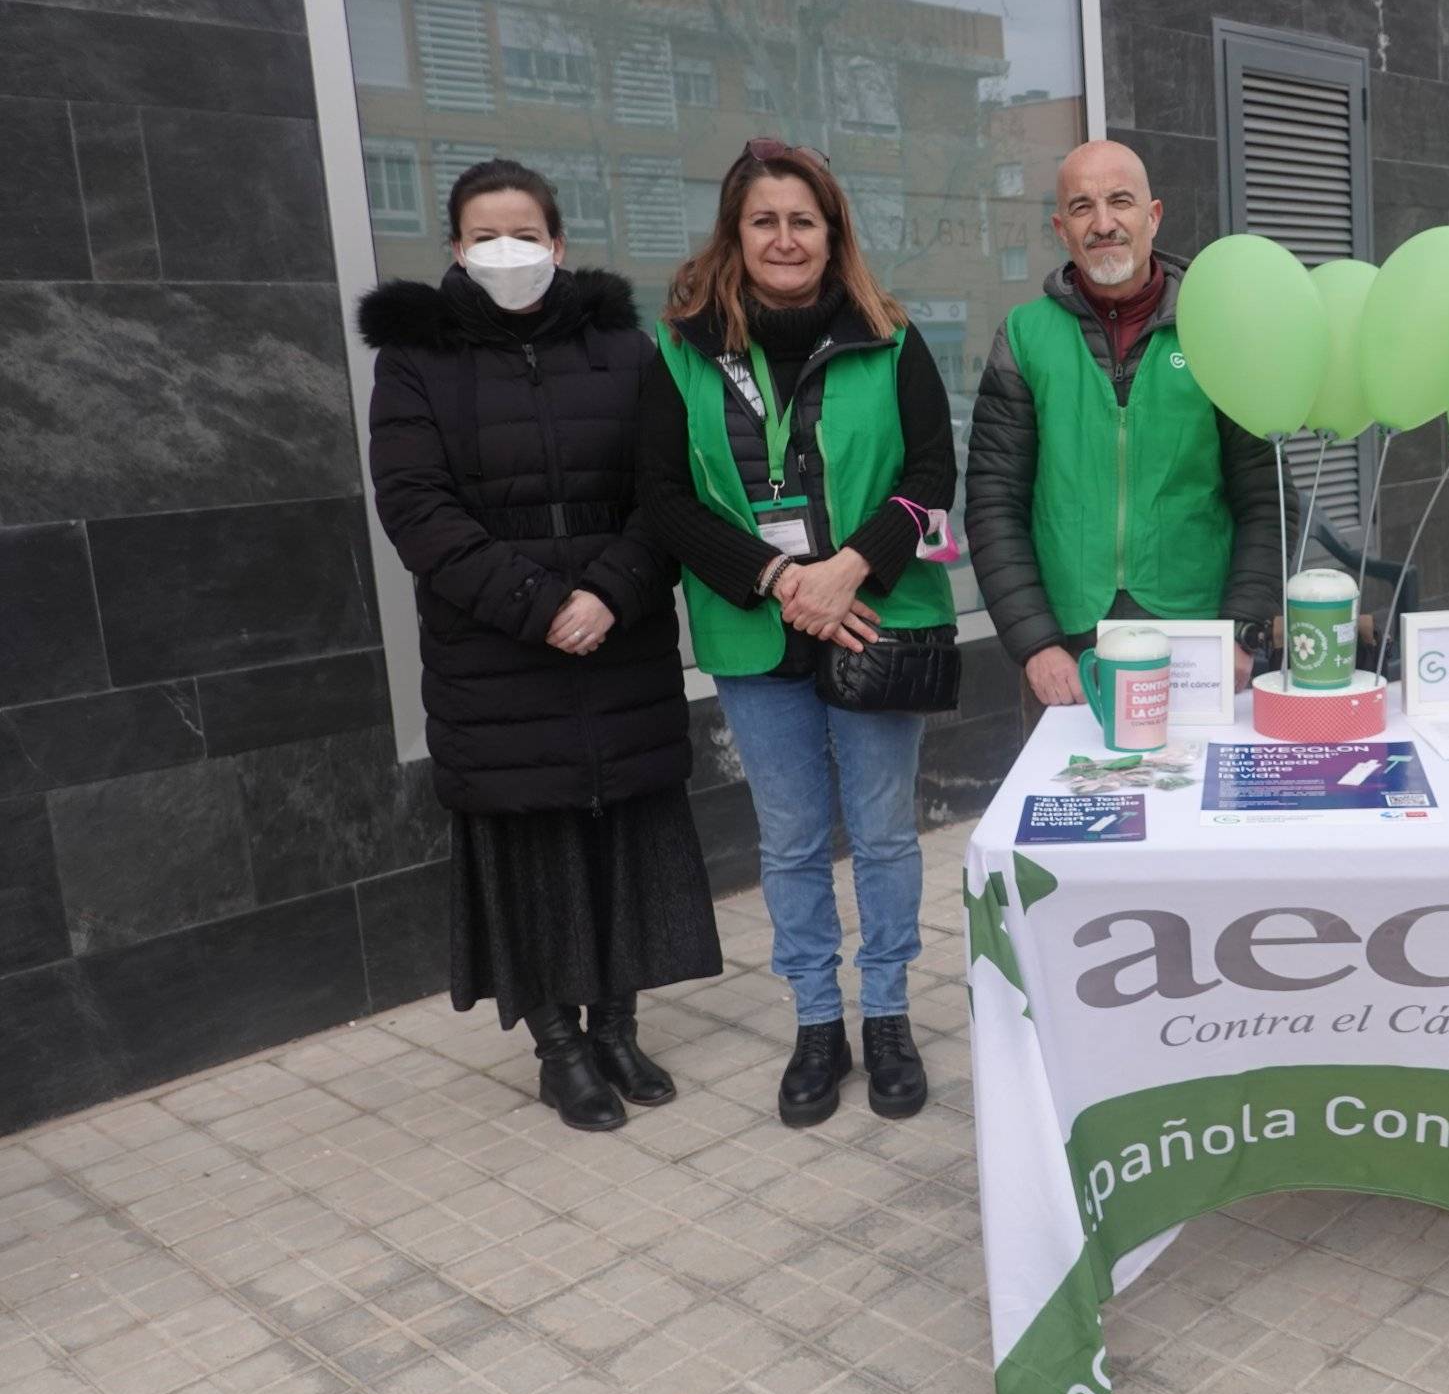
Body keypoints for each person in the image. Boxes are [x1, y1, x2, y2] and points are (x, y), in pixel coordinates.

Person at [365, 158, 719, 1135]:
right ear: (454, 249)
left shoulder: (621, 345)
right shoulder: (416, 359)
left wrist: (609, 591)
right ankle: (558, 1047)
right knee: (535, 848)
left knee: (621, 839)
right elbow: (416, 509)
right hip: (498, 654)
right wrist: (537, 602)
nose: (505, 251)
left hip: (620, 636)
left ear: (559, 244)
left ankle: (616, 1025)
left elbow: (668, 489)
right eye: (484, 235)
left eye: (523, 232)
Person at [637, 140, 957, 1128]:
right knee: (789, 838)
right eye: (764, 220)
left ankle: (890, 1015)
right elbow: (663, 496)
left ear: (833, 233)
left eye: (802, 220)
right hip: (755, 624)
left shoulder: (890, 338)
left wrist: (850, 565)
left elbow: (931, 474)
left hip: (874, 615)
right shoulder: (684, 351)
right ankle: (818, 1022)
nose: (785, 238)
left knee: (883, 833)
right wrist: (779, 577)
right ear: (736, 233)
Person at [964, 140, 1283, 718]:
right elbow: (993, 504)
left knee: (1195, 804)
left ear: (1153, 216)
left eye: (1120, 202)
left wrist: (1243, 632)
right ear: (1061, 229)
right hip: (1068, 648)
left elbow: (1264, 498)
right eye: (1083, 207)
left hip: (1197, 637)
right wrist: (1035, 643)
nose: (1103, 223)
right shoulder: (1023, 337)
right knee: (1083, 804)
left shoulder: (1216, 328)